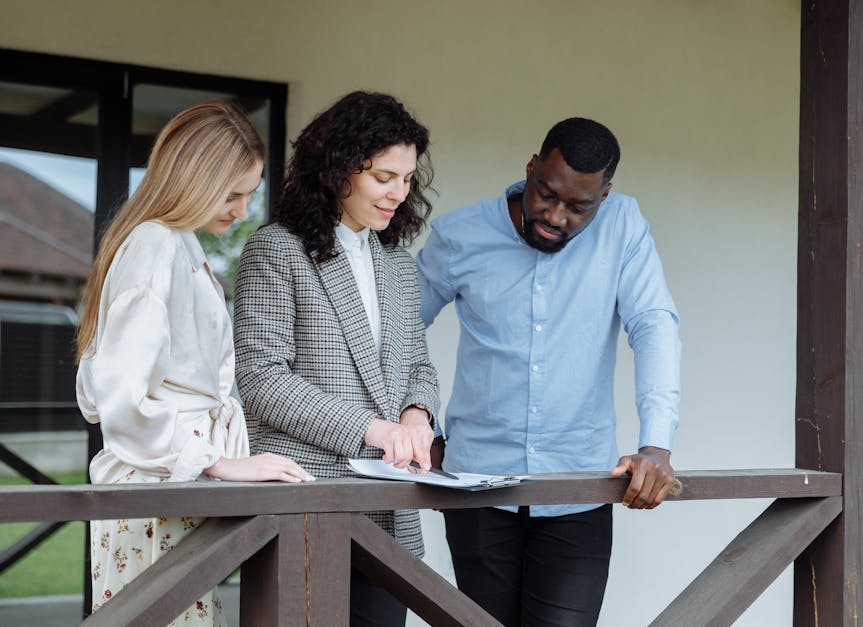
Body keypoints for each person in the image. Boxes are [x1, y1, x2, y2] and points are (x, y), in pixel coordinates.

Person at [417, 117, 681, 626]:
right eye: (546, 193)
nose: (555, 216)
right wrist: (416, 422)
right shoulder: (459, 235)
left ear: (604, 197)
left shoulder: (624, 226)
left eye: (578, 206)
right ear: (532, 168)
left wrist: (656, 443)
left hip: (577, 490)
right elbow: (399, 333)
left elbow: (654, 326)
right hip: (476, 485)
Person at [75, 102, 313, 623]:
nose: (244, 210)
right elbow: (118, 398)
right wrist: (216, 460)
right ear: (193, 180)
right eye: (232, 194)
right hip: (152, 495)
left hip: (165, 490)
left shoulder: (171, 245)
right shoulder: (155, 246)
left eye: (250, 193)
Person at [233, 90, 440, 627]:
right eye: (383, 177)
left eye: (408, 178)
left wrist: (417, 416)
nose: (399, 192)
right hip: (304, 503)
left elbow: (417, 365)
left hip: (389, 515)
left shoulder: (396, 263)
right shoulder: (276, 249)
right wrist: (375, 430)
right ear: (338, 169)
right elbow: (260, 379)